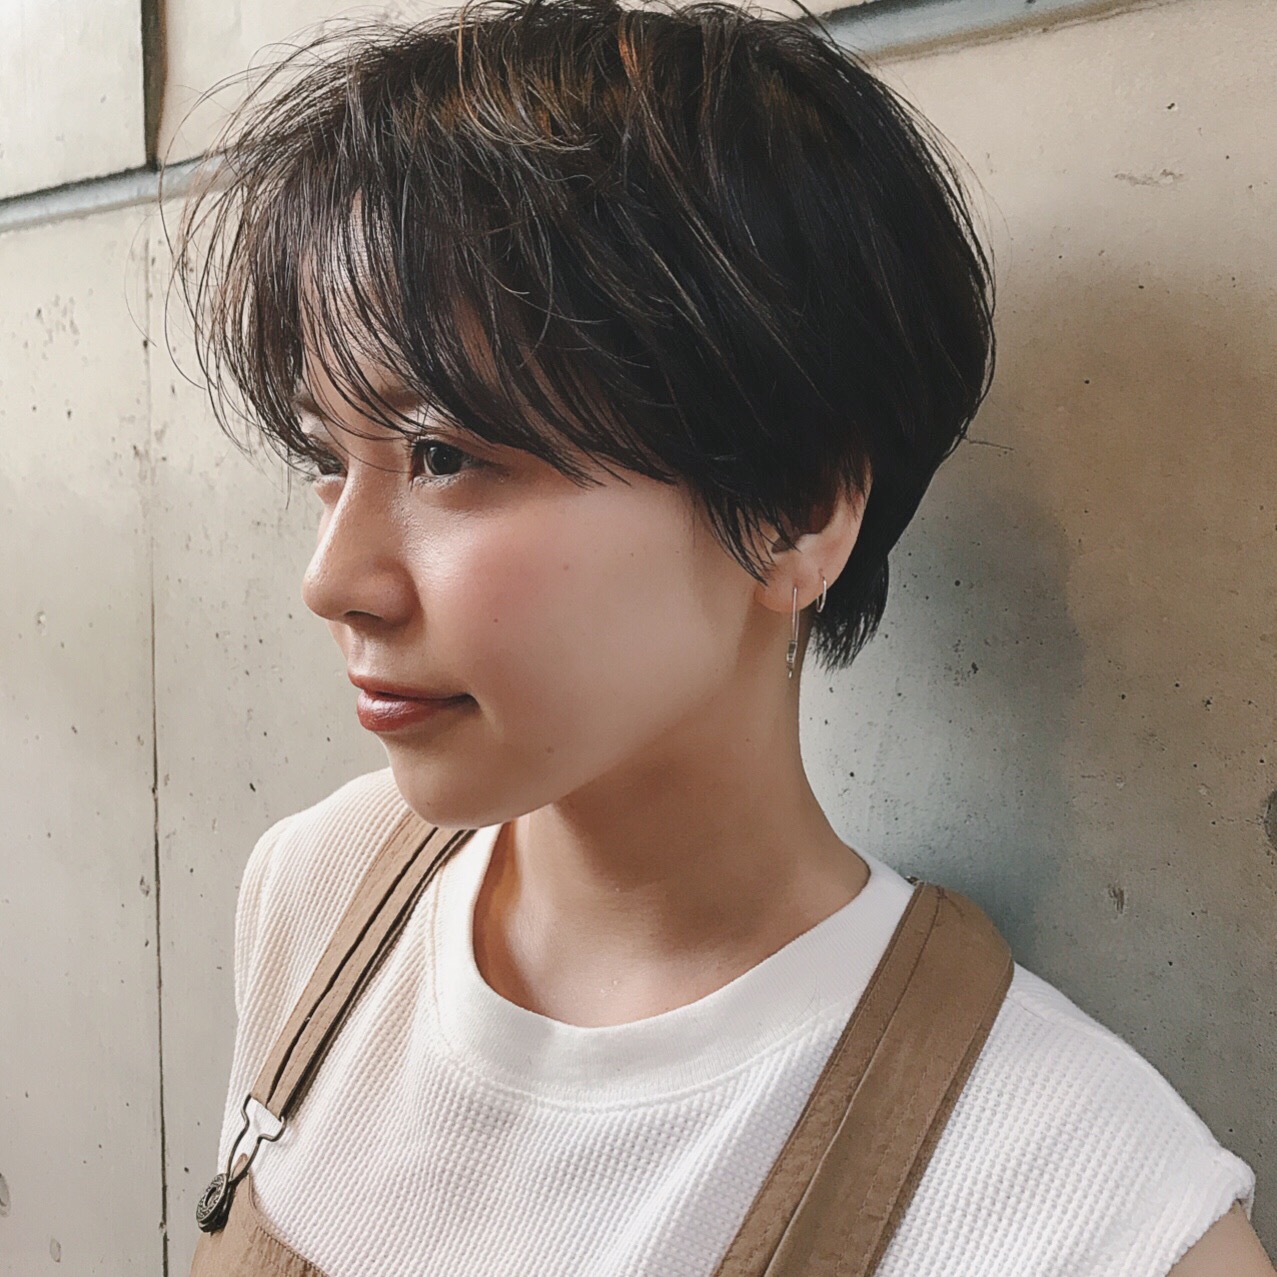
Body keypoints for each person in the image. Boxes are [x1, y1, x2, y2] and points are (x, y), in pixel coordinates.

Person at [171, 0, 1269, 1272]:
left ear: (793, 510)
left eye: (442, 455)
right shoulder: (322, 892)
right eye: (326, 454)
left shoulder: (1074, 1202)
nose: (334, 580)